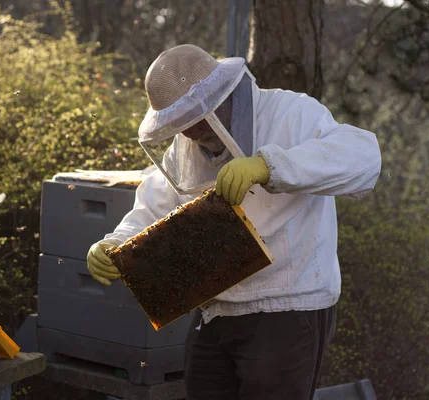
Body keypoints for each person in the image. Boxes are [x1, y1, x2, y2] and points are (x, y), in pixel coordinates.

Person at [86, 44, 382, 400]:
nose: (188, 134)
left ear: (219, 98)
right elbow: (155, 205)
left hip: (287, 306)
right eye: (177, 124)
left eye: (191, 120)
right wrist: (117, 242)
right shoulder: (184, 147)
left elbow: (363, 157)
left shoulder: (292, 113)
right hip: (216, 308)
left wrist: (269, 167)